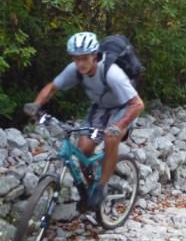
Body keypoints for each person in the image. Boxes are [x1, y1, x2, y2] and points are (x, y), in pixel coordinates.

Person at [24, 32, 145, 209]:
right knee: (83, 150)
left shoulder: (112, 73)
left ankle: (101, 188)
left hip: (124, 107)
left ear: (94, 56)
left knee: (111, 138)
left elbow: (137, 104)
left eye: (84, 58)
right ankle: (90, 189)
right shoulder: (74, 69)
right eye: (76, 58)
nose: (80, 63)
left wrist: (119, 126)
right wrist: (36, 104)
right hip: (100, 107)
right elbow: (52, 87)